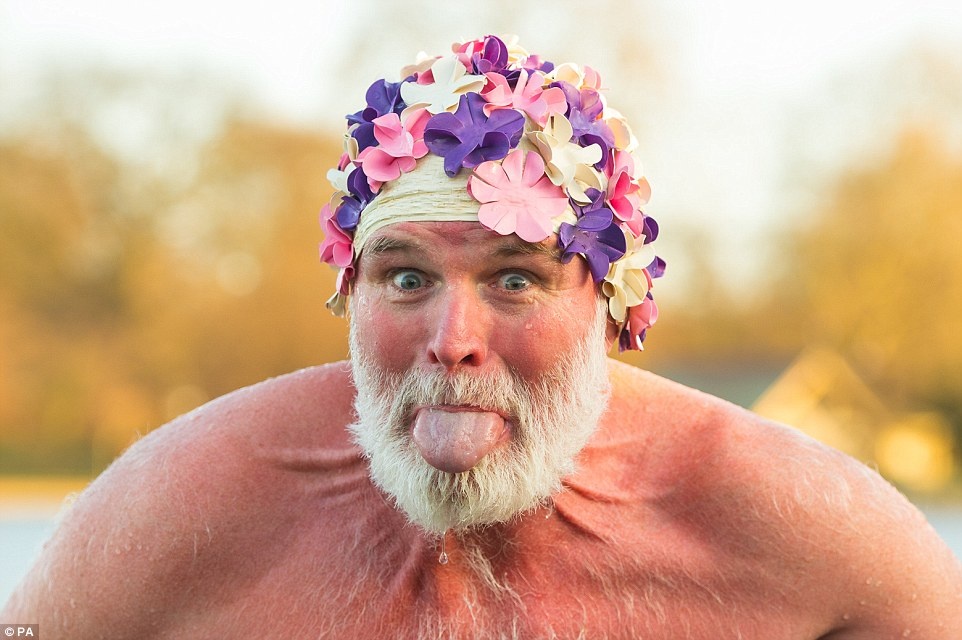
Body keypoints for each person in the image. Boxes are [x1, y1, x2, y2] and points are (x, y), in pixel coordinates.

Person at [4, 35, 961, 639]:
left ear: (611, 305)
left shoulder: (798, 528)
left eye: (514, 279)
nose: (452, 339)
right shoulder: (185, 505)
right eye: (408, 277)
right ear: (351, 291)